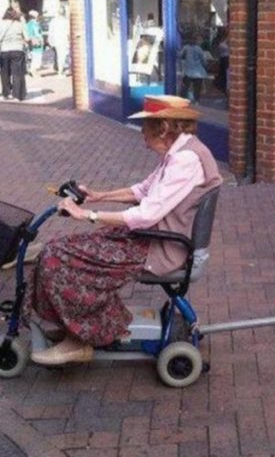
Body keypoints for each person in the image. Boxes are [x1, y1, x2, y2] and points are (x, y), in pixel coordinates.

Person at [23, 95, 223, 365]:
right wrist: (97, 196)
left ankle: (82, 339)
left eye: (146, 126)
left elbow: (146, 214)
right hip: (152, 237)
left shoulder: (185, 160)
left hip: (160, 247)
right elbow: (141, 191)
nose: (142, 133)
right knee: (60, 248)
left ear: (163, 127)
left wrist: (88, 215)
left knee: (60, 256)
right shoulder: (180, 152)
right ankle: (77, 327)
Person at [0, 7, 27, 101]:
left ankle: (6, 93)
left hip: (4, 49)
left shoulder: (1, 24)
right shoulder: (19, 24)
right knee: (17, 73)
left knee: (4, 72)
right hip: (17, 49)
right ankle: (17, 94)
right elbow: (27, 37)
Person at [179, 33, 209, 104]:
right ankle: (196, 101)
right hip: (198, 72)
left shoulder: (186, 48)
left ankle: (184, 100)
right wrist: (206, 67)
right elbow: (203, 61)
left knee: (185, 87)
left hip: (188, 72)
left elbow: (180, 55)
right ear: (196, 41)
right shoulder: (199, 49)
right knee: (197, 89)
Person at [47, 7, 69, 76]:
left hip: (55, 41)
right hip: (63, 40)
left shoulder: (53, 21)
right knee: (62, 56)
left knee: (58, 56)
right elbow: (68, 32)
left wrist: (50, 40)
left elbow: (50, 32)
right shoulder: (66, 21)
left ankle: (59, 69)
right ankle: (60, 71)